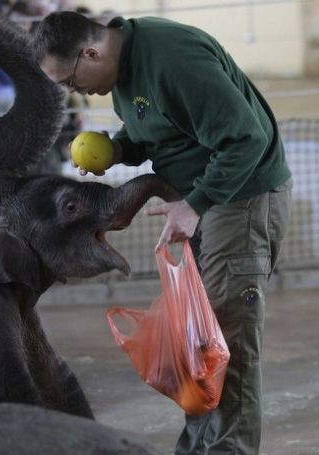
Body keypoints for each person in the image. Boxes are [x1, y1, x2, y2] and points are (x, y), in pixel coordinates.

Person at [31, 11, 293, 455]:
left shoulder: (173, 59)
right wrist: (116, 149)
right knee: (196, 342)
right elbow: (158, 131)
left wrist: (195, 204)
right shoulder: (124, 72)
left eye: (71, 81)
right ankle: (196, 448)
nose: (74, 92)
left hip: (241, 197)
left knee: (226, 346)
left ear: (91, 53)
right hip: (202, 199)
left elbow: (246, 138)